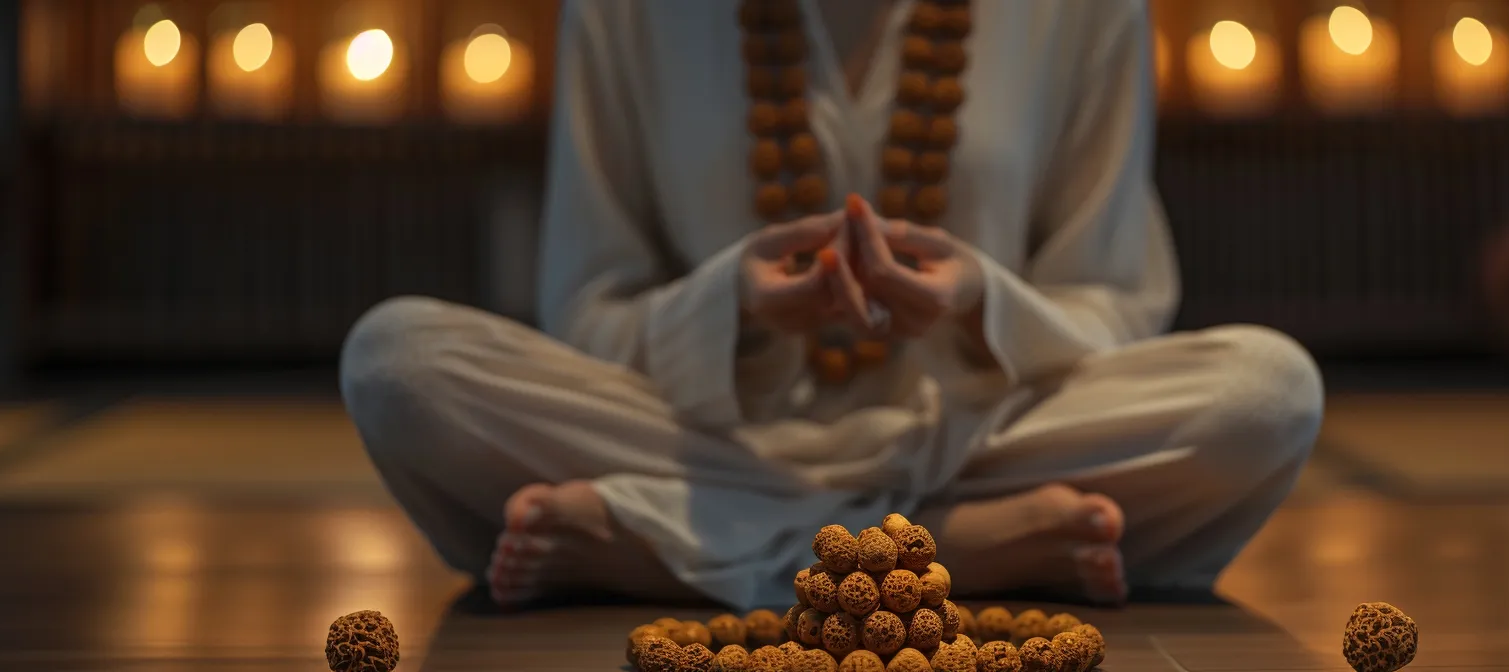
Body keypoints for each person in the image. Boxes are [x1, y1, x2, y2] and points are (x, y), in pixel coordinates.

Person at [340, 0, 1323, 611]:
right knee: (399, 366)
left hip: (979, 435)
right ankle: (949, 554)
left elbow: (1115, 300)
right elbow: (589, 308)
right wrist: (733, 307)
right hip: (709, 439)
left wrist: (981, 301)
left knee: (1264, 393)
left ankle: (675, 551)